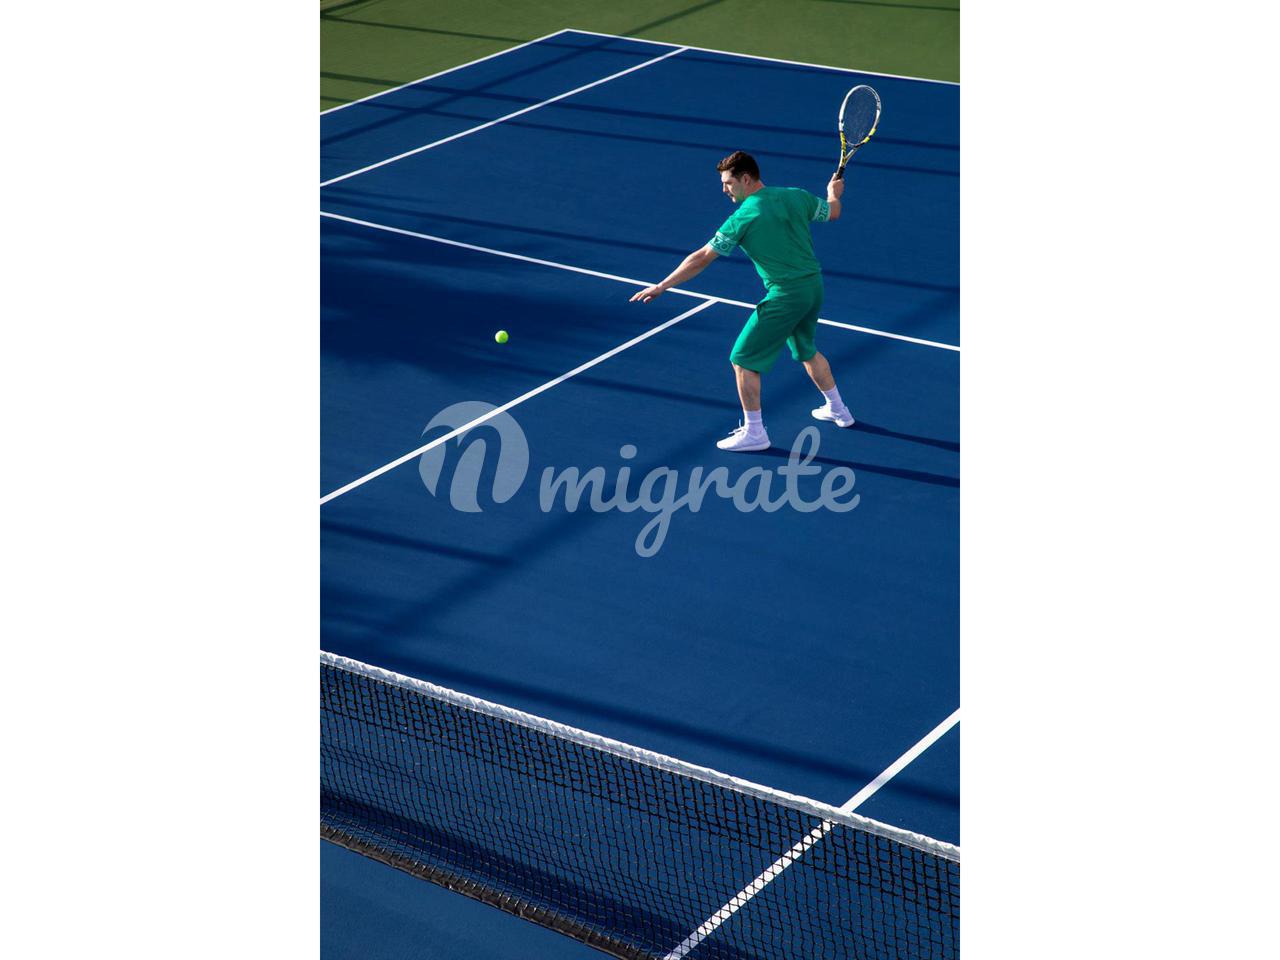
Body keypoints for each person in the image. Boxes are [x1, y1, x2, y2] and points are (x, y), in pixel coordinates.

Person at [630, 151, 854, 452]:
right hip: (813, 288)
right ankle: (839, 410)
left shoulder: (744, 216)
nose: (724, 189)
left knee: (743, 360)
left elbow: (701, 258)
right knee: (805, 349)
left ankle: (755, 433)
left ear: (746, 179)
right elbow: (833, 212)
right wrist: (832, 193)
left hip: (786, 296)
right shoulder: (796, 195)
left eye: (728, 182)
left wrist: (662, 285)